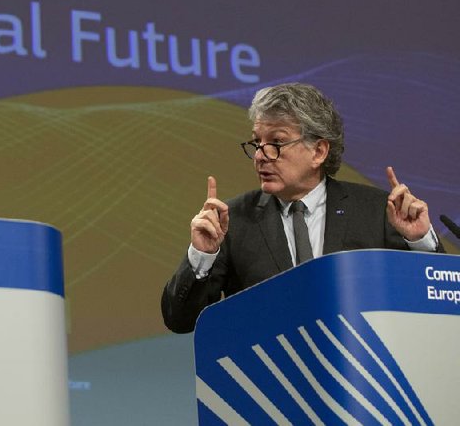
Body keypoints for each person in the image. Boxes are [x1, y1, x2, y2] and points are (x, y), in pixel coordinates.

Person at [161, 82, 442, 333]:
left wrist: (421, 242)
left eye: (277, 142)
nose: (260, 156)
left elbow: (438, 306)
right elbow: (180, 320)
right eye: (257, 142)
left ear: (319, 151)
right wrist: (202, 256)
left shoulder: (377, 211)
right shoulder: (233, 220)